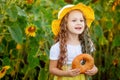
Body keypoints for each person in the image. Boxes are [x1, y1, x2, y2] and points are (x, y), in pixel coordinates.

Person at [49, 3, 98, 80]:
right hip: (64, 77)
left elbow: (91, 63)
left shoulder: (87, 44)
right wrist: (66, 73)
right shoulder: (57, 47)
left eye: (81, 20)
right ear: (65, 25)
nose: (79, 23)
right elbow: (52, 69)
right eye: (74, 20)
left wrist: (94, 69)